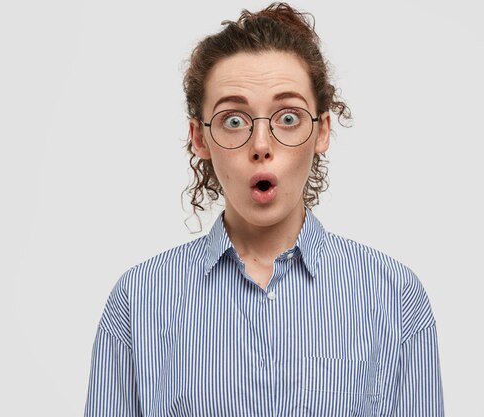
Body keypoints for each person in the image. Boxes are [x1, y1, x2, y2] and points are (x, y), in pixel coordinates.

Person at [84, 3, 444, 416]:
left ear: (322, 130)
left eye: (287, 117)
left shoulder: (394, 295)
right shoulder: (138, 300)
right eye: (233, 120)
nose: (260, 146)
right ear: (199, 139)